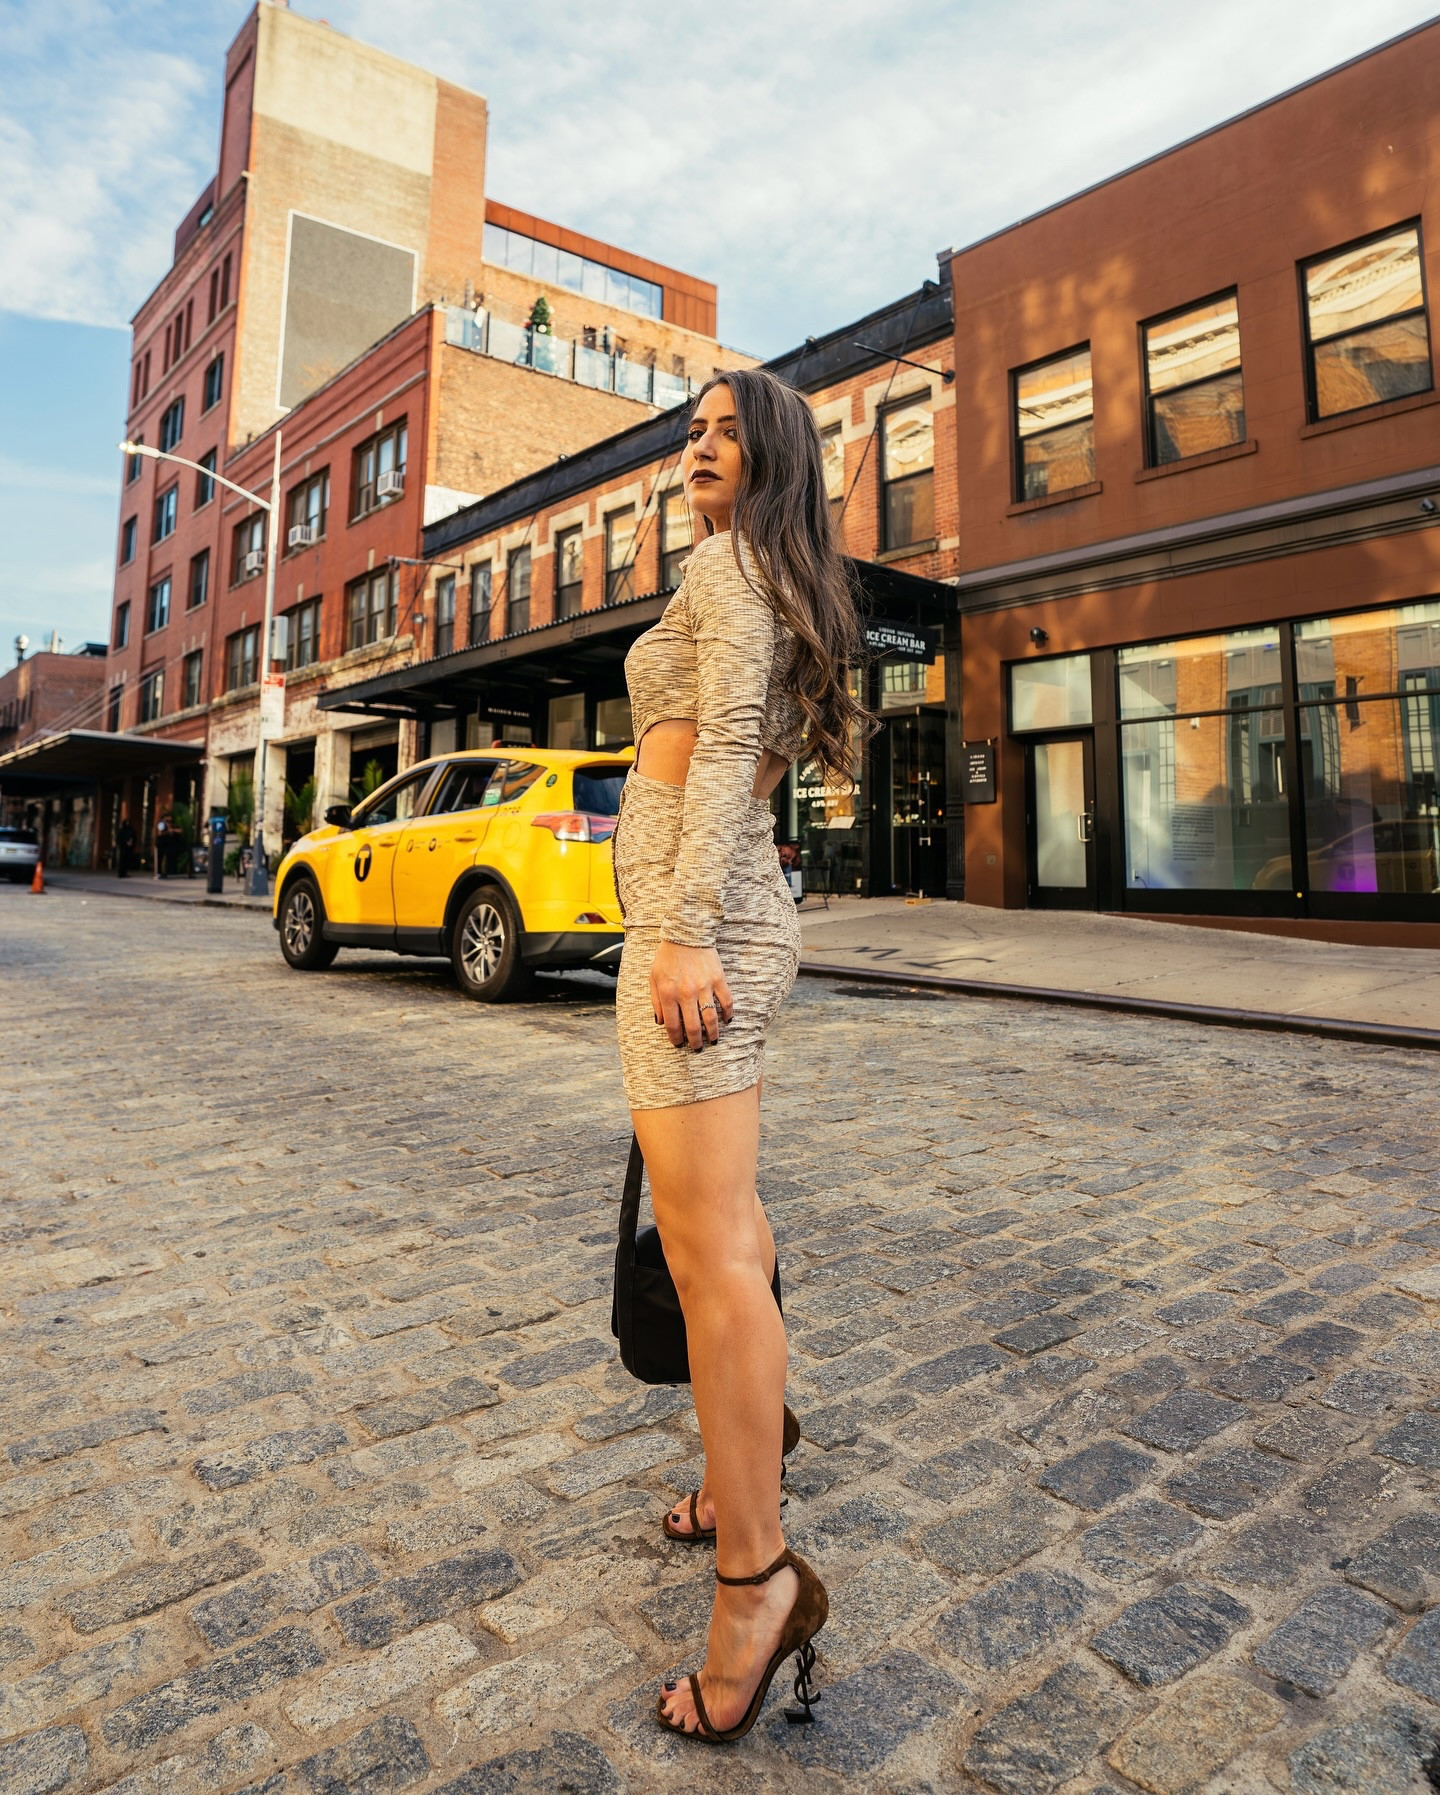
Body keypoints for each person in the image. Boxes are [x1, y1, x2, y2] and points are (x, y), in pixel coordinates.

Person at [613, 368, 870, 1743]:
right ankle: (738, 1468)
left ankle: (754, 1583)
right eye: (692, 431)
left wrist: (682, 927)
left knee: (709, 1248)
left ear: (774, 454)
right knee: (730, 1230)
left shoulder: (731, 567)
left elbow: (720, 753)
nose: (701, 448)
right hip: (702, 918)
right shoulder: (756, 568)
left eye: (727, 432)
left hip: (698, 929)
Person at [116, 812, 136, 878]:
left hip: (129, 848)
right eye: (126, 822)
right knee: (122, 860)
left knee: (127, 861)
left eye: (128, 822)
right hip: (123, 848)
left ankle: (124, 872)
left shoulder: (131, 830)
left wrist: (131, 843)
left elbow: (134, 837)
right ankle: (121, 873)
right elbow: (119, 839)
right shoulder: (122, 830)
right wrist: (125, 842)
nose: (128, 823)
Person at [155, 810, 174, 879]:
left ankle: (164, 872)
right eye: (169, 817)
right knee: (160, 858)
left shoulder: (168, 824)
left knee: (165, 858)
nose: (170, 818)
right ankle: (159, 873)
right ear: (165, 817)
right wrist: (168, 831)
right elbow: (160, 833)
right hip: (161, 844)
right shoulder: (161, 824)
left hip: (166, 844)